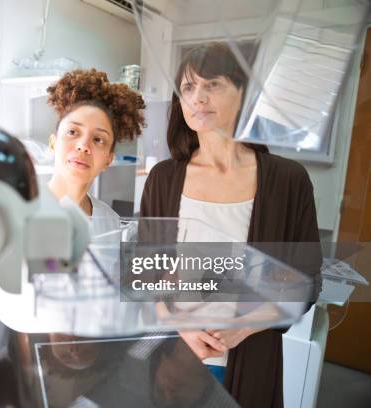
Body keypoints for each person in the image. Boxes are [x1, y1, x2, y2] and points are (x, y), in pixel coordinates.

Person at [140, 43, 321, 407]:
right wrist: (181, 325)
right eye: (188, 88)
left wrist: (247, 324)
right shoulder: (163, 177)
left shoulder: (288, 180)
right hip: (174, 357)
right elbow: (143, 276)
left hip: (249, 361)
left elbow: (307, 281)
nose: (198, 98)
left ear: (245, 93)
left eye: (213, 84)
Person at [46, 68, 145, 220]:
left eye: (98, 139)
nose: (83, 145)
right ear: (53, 143)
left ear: (108, 160)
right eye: (73, 132)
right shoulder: (17, 213)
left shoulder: (110, 222)